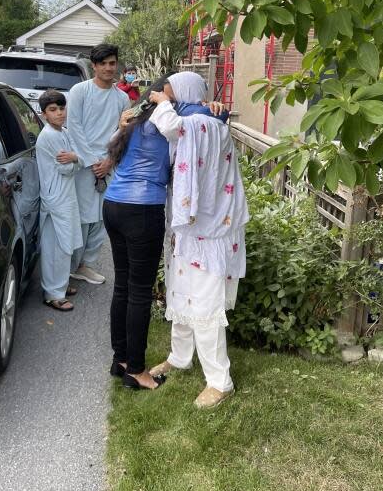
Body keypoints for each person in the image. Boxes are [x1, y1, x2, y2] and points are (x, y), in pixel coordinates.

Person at [148, 72, 249, 409]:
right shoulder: (202, 119)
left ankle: (220, 381)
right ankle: (180, 357)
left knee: (205, 305)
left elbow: (168, 124)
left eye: (174, 94)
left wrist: (162, 104)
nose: (171, 99)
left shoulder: (203, 124)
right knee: (182, 296)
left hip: (209, 232)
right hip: (192, 230)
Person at [103, 76, 172, 390]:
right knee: (140, 291)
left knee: (123, 285)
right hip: (142, 209)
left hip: (114, 205)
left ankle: (121, 359)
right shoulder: (167, 123)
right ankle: (137, 370)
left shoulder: (132, 121)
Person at [66, 43, 130, 285]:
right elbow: (75, 127)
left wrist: (109, 162)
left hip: (109, 164)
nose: (108, 68)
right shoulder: (80, 91)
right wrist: (94, 162)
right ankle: (71, 265)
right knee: (83, 217)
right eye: (102, 63)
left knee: (104, 218)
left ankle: (86, 265)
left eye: (112, 63)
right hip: (85, 164)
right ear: (94, 66)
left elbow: (122, 133)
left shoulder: (122, 98)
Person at [36, 89, 83, 312]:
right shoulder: (49, 136)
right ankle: (53, 294)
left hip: (65, 195)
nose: (59, 113)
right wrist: (75, 159)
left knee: (65, 245)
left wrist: (74, 158)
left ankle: (60, 286)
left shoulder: (62, 131)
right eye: (53, 110)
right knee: (57, 246)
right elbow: (65, 168)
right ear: (43, 114)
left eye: (62, 108)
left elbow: (73, 157)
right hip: (56, 198)